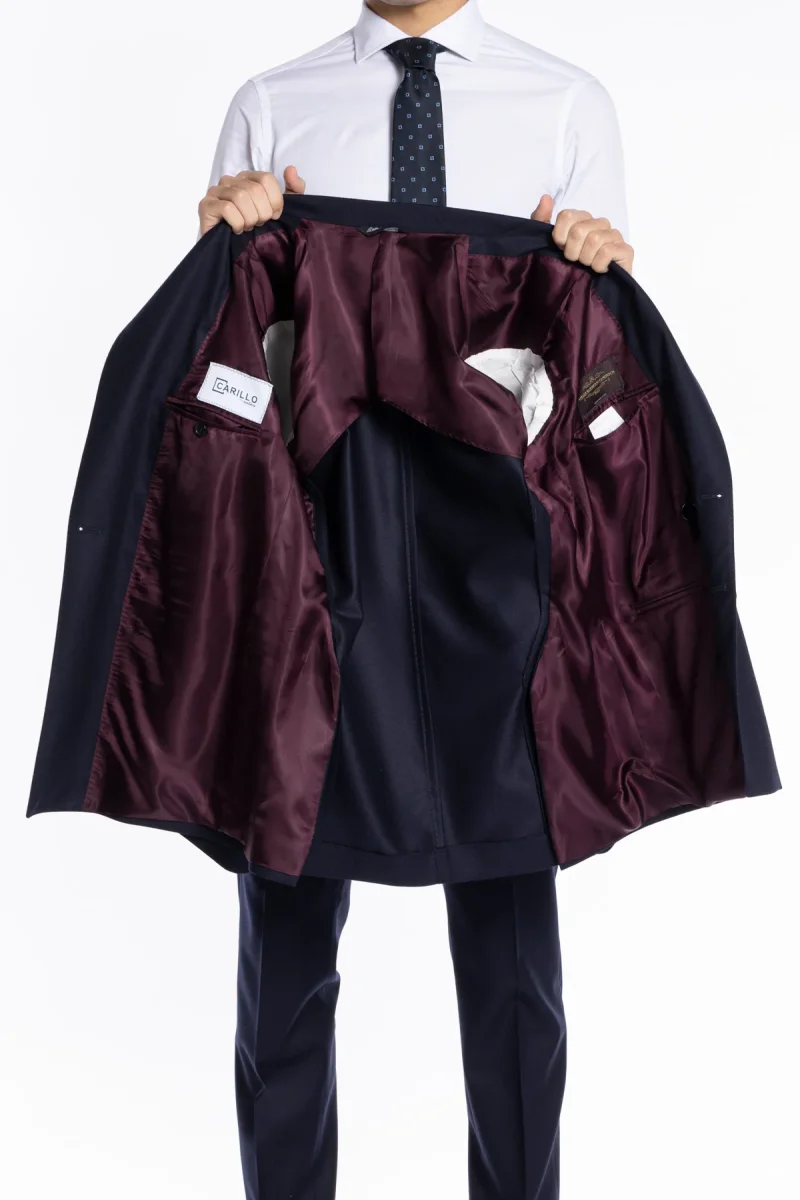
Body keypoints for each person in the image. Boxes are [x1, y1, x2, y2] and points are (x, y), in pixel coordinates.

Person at [200, 3, 634, 1196]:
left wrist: (604, 264)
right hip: (316, 546)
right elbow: (230, 357)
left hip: (493, 559)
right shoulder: (271, 103)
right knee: (286, 940)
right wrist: (217, 240)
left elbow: (593, 370)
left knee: (511, 956)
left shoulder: (565, 104)